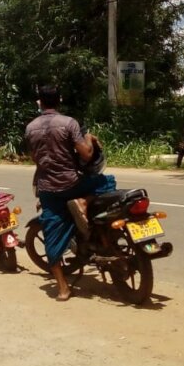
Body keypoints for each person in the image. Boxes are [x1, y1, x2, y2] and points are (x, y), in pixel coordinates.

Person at [25, 85, 116, 301]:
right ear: (59, 100)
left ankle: (63, 289)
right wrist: (90, 140)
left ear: (40, 101)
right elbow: (85, 155)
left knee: (52, 237)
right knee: (107, 182)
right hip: (72, 183)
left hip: (48, 188)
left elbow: (34, 158)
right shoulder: (69, 123)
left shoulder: (30, 128)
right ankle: (84, 202)